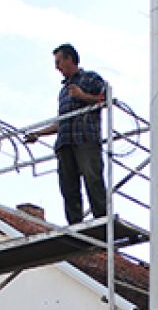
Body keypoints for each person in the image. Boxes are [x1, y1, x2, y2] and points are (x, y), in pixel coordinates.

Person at [24, 43, 108, 225]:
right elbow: (61, 122)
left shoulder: (90, 78)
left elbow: (106, 99)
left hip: (85, 139)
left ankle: (102, 220)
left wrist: (83, 96)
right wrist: (37, 134)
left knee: (92, 179)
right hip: (65, 143)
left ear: (70, 59)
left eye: (59, 61)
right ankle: (75, 224)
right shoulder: (63, 91)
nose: (57, 67)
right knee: (68, 187)